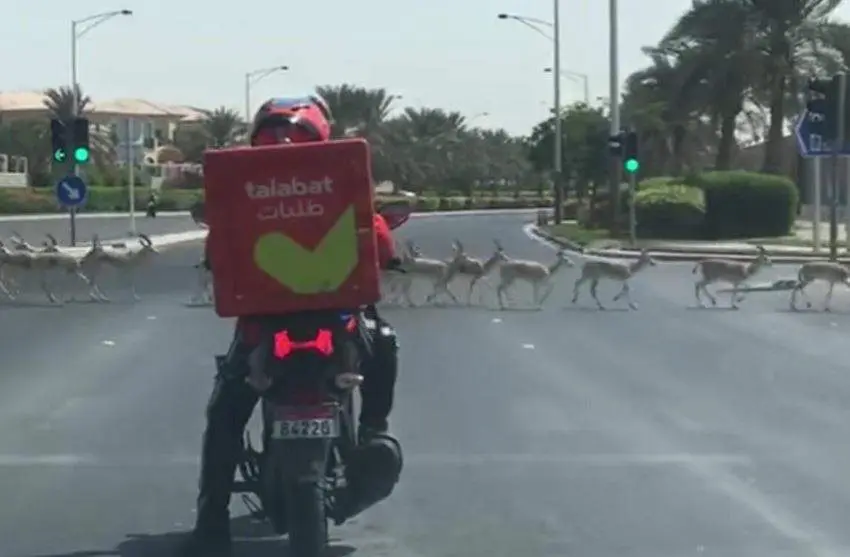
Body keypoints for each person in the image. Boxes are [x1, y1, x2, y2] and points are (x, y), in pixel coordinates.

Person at [180, 95, 402, 557]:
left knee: (225, 413)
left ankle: (212, 518)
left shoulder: (241, 193)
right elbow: (377, 242)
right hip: (336, 323)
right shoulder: (340, 181)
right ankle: (375, 430)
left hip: (264, 327)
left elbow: (219, 252)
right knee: (383, 342)